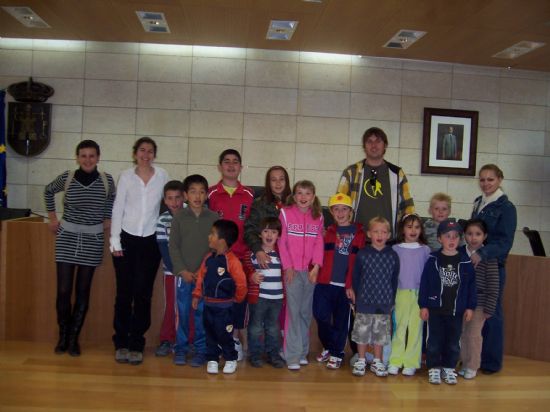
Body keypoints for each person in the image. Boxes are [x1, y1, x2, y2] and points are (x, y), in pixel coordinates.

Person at [44, 140, 115, 356]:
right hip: (66, 238)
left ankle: (74, 338)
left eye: (91, 155)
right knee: (64, 291)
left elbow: (111, 199)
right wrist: (52, 217)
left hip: (92, 240)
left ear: (98, 158)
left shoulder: (107, 180)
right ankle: (63, 335)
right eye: (83, 155)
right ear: (77, 157)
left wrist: (107, 217)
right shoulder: (68, 177)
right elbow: (48, 191)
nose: (87, 160)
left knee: (83, 291)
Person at [110, 137, 168, 365]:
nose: (146, 155)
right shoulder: (126, 176)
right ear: (135, 153)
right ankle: (121, 342)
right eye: (142, 151)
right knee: (124, 293)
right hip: (126, 238)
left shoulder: (162, 175)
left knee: (143, 294)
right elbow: (118, 208)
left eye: (150, 151)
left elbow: (170, 201)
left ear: (154, 155)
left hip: (150, 240)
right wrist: (114, 241)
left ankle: (137, 343)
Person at [207, 149, 254, 361]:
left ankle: (234, 338)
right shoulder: (210, 194)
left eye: (235, 162)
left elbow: (253, 227)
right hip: (218, 258)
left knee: (238, 299)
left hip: (242, 257)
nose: (231, 165)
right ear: (219, 166)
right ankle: (217, 339)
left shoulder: (250, 195)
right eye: (226, 161)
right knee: (218, 299)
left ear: (241, 167)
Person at [470, 164, 516, 374]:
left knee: (491, 313)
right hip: (476, 264)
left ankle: (491, 363)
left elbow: (504, 242)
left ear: (500, 179)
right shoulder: (480, 202)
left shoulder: (506, 207)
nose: (486, 183)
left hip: (493, 266)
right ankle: (472, 358)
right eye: (482, 179)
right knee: (475, 311)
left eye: (490, 179)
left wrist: (482, 254)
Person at [419, 219, 477, 385]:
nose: (451, 240)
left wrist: (470, 307)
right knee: (434, 341)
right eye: (447, 236)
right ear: (439, 239)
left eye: (455, 237)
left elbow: (471, 287)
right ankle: (434, 368)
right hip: (436, 310)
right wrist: (423, 305)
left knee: (453, 342)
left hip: (456, 310)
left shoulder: (465, 262)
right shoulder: (433, 259)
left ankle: (449, 368)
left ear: (460, 239)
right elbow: (425, 284)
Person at [169, 174, 219, 367]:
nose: (197, 196)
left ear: (207, 195)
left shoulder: (213, 217)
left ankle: (201, 350)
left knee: (201, 315)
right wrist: (182, 270)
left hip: (204, 278)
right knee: (182, 313)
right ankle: (180, 349)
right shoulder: (179, 217)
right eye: (192, 191)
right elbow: (173, 247)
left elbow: (216, 248)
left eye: (201, 192)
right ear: (185, 195)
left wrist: (202, 271)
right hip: (184, 276)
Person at [313, 193, 365, 370]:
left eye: (344, 209)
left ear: (350, 212)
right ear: (331, 212)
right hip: (324, 283)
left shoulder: (359, 234)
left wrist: (352, 285)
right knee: (320, 315)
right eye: (336, 209)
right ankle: (329, 346)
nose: (340, 212)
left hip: (346, 287)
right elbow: (317, 255)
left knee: (342, 322)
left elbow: (358, 264)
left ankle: (337, 353)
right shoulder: (328, 232)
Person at [337, 126, 414, 240]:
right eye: (369, 141)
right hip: (355, 239)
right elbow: (339, 204)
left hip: (388, 241)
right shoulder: (351, 172)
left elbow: (408, 206)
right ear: (364, 146)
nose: (374, 145)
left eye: (378, 141)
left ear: (385, 146)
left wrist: (408, 234)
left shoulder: (397, 174)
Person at [191, 220, 248, 375]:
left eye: (212, 234)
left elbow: (241, 283)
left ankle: (230, 358)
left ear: (221, 241)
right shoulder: (208, 259)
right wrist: (197, 295)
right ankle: (213, 359)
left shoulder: (233, 261)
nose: (209, 237)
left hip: (226, 308)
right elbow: (201, 278)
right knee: (210, 334)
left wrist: (237, 299)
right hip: (208, 306)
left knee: (225, 335)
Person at [278, 180, 324, 370]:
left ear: (313, 197)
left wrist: (317, 266)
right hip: (292, 271)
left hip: (310, 272)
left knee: (306, 312)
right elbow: (282, 242)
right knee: (293, 312)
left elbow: (319, 242)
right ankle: (292, 355)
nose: (303, 197)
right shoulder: (285, 214)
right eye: (299, 193)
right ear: (294, 196)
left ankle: (303, 351)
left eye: (307, 194)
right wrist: (288, 266)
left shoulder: (319, 216)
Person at [349, 217, 399, 377]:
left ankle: (377, 361)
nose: (380, 235)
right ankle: (362, 360)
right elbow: (356, 277)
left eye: (384, 232)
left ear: (389, 235)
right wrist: (355, 297)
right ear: (369, 234)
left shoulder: (393, 255)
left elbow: (394, 279)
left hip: (384, 302)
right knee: (362, 333)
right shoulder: (363, 253)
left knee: (380, 335)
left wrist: (392, 300)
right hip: (364, 301)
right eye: (376, 231)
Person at [388, 214, 430, 376]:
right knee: (399, 328)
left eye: (417, 227)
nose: (413, 230)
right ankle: (395, 360)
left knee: (415, 329)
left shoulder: (425, 250)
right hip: (400, 293)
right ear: (402, 229)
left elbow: (428, 275)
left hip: (419, 295)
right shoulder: (395, 249)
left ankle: (411, 362)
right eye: (409, 227)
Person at [459, 218, 500, 380]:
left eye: (478, 234)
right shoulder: (460, 253)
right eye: (469, 234)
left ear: (485, 236)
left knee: (474, 335)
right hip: (461, 304)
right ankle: (464, 362)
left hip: (480, 304)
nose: (473, 238)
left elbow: (494, 284)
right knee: (462, 334)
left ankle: (473, 365)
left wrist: (489, 308)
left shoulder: (488, 257)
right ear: (464, 236)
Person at [246, 217, 285, 368]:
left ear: (279, 235)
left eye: (274, 232)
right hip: (259, 298)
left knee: (273, 327)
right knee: (256, 327)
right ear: (259, 234)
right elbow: (247, 270)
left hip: (277, 298)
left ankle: (273, 354)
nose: (269, 235)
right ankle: (255, 354)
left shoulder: (281, 254)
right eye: (266, 231)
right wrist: (251, 276)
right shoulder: (254, 254)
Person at [154, 181, 185, 358]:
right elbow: (163, 247)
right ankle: (167, 339)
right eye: (170, 198)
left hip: (192, 271)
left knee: (189, 307)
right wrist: (176, 269)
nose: (174, 202)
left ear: (184, 197)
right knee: (172, 306)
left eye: (177, 198)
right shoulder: (162, 220)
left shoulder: (192, 215)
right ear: (165, 200)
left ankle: (188, 340)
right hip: (171, 272)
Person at [244, 166, 291, 269]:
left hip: (291, 257)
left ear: (287, 181)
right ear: (268, 183)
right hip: (266, 256)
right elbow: (249, 230)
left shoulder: (295, 203)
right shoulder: (259, 204)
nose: (278, 183)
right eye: (273, 180)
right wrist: (258, 250)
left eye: (281, 179)